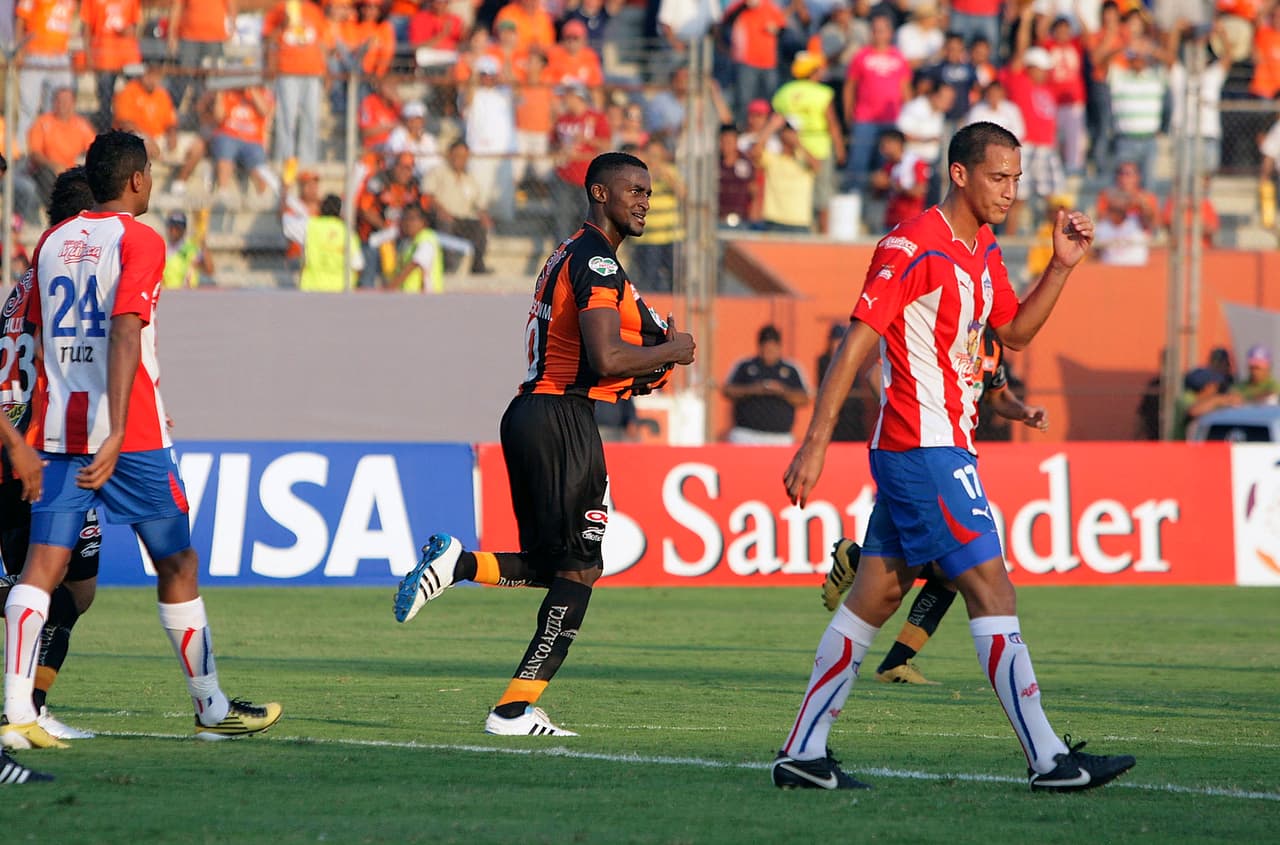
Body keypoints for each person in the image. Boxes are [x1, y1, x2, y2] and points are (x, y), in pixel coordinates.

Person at [771, 121, 1135, 791]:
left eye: (1017, 179)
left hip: (941, 444)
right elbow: (855, 345)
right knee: (992, 587)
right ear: (961, 173)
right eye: (999, 177)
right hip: (923, 445)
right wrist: (815, 443)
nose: (1010, 190)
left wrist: (1061, 266)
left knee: (872, 597)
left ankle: (802, 750)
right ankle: (1049, 758)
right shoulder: (911, 246)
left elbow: (1014, 333)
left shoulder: (983, 248)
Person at [393, 152, 696, 736]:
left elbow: (591, 358)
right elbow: (606, 355)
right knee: (581, 570)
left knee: (553, 565)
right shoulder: (598, 263)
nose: (644, 201)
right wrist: (670, 351)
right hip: (560, 417)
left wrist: (644, 368)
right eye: (633, 189)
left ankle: (458, 564)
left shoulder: (567, 253)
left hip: (534, 411)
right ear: (599, 193)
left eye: (649, 193)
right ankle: (512, 709)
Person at [0, 131, 282, 750]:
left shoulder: (49, 244)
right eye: (150, 174)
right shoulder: (140, 239)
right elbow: (127, 329)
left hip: (56, 429)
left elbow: (33, 341)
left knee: (41, 568)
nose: (151, 184)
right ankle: (210, 706)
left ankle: (17, 711)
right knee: (177, 561)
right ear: (135, 181)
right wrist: (122, 424)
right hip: (129, 436)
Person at [822, 328, 1050, 686]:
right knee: (961, 566)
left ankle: (893, 659)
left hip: (950, 458)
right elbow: (873, 374)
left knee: (947, 571)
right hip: (921, 458)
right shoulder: (939, 330)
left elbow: (997, 396)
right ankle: (861, 573)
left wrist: (1023, 413)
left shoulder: (990, 345)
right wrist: (905, 417)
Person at [0, 167, 102, 743]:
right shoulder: (64, 278)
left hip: (50, 444)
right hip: (37, 450)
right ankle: (26, 709)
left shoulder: (25, 281)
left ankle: (33, 703)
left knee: (76, 590)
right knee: (45, 584)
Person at [722, 324, 810, 444]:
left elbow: (805, 398)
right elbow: (727, 390)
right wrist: (753, 390)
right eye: (766, 347)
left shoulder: (791, 369)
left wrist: (782, 391)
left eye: (773, 347)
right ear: (759, 346)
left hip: (780, 437)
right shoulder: (745, 366)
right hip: (746, 435)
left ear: (779, 347)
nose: (769, 351)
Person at [300, 194, 365, 292]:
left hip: (313, 287)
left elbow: (286, 223)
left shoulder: (310, 225)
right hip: (340, 290)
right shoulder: (348, 232)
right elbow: (358, 265)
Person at [162, 210, 214, 289]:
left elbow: (209, 270)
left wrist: (203, 242)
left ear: (184, 230)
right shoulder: (162, 248)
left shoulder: (192, 248)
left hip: (188, 295)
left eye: (177, 228)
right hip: (169, 294)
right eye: (172, 227)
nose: (174, 231)